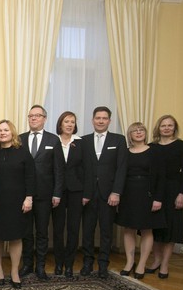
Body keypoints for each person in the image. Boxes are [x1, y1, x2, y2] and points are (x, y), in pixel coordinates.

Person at [80, 106, 128, 278]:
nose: (101, 121)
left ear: (109, 121)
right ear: (92, 120)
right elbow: (80, 169)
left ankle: (103, 265)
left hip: (109, 195)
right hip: (88, 195)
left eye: (104, 118)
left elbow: (122, 168)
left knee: (107, 231)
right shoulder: (83, 141)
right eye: (98, 118)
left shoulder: (119, 140)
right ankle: (87, 263)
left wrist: (116, 192)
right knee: (87, 230)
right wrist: (83, 193)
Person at [19, 105, 64, 280]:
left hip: (45, 195)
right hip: (23, 195)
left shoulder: (53, 140)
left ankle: (40, 267)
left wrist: (57, 193)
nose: (33, 119)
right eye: (31, 116)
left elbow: (59, 170)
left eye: (37, 116)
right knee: (26, 232)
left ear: (44, 118)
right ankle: (27, 265)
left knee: (42, 232)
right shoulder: (20, 139)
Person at [115, 122, 166, 279]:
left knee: (146, 229)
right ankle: (130, 262)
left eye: (141, 130)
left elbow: (161, 177)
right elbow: (119, 173)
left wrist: (158, 198)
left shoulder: (154, 151)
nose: (138, 132)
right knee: (128, 228)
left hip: (148, 194)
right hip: (128, 193)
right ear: (129, 135)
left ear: (145, 133)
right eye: (134, 131)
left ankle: (142, 263)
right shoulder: (125, 152)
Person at [0, 120, 35, 288]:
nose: (2, 133)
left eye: (5, 130)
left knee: (16, 237)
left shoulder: (23, 153)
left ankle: (15, 271)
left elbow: (30, 176)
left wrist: (29, 197)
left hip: (18, 201)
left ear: (12, 132)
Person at [146, 115, 183, 279]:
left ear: (174, 128)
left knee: (171, 228)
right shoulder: (150, 147)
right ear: (158, 127)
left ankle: (165, 264)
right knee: (156, 228)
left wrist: (182, 194)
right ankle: (156, 260)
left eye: (170, 125)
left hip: (173, 190)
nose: (166, 128)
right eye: (163, 125)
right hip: (155, 190)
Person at [51, 112, 92, 278]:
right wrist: (54, 192)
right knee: (58, 229)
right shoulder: (54, 142)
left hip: (77, 191)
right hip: (57, 192)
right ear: (60, 124)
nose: (69, 124)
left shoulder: (81, 143)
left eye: (72, 122)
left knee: (74, 229)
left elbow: (89, 170)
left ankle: (69, 264)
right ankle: (59, 263)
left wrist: (87, 193)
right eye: (66, 121)